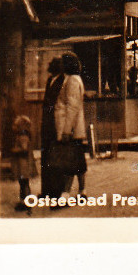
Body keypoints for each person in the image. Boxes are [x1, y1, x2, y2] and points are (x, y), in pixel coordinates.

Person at [54, 51, 87, 198]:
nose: (60, 65)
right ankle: (82, 191)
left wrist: (66, 130)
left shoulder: (72, 80)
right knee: (78, 160)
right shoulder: (74, 78)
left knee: (69, 161)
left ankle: (65, 193)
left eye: (62, 62)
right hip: (75, 129)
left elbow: (72, 106)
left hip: (71, 129)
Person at [39, 57, 64, 199]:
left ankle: (55, 192)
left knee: (54, 158)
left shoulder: (61, 81)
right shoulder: (50, 80)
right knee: (45, 157)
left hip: (55, 123)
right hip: (47, 123)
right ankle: (46, 191)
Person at [11, 114, 38, 213]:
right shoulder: (22, 135)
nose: (13, 127)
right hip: (22, 165)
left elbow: (24, 150)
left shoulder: (23, 136)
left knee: (24, 184)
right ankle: (23, 202)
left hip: (23, 165)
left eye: (16, 125)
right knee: (23, 184)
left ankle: (27, 204)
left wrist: (15, 150)